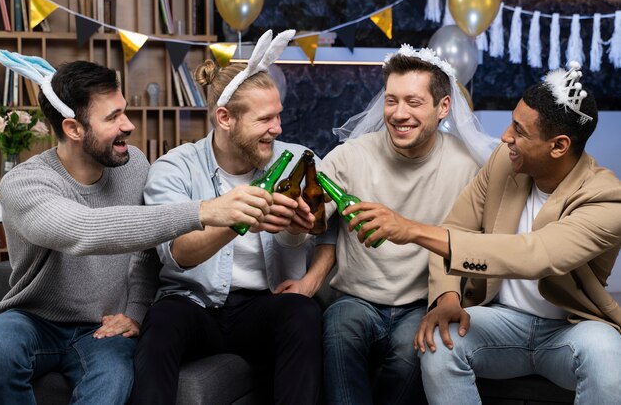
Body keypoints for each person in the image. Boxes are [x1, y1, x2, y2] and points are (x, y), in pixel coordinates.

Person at [0, 52, 274, 405]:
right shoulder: (23, 183)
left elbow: (146, 252)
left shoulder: (134, 164)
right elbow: (84, 230)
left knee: (114, 382)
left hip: (105, 327)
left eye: (124, 110)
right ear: (73, 129)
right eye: (113, 117)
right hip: (34, 320)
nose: (129, 125)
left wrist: (136, 312)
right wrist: (203, 211)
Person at [345, 62, 621, 404]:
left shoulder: (608, 198)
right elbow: (455, 228)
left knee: (609, 356)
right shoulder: (504, 161)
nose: (506, 136)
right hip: (500, 319)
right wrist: (447, 296)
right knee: (439, 342)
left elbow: (534, 254)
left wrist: (413, 230)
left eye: (519, 131)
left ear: (559, 146)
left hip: (571, 329)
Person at [286, 45, 498, 405]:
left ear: (442, 107)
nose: (399, 114)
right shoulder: (351, 156)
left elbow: (479, 247)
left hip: (421, 303)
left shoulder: (467, 166)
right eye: (391, 100)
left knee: (411, 354)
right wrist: (296, 221)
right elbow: (298, 229)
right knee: (339, 332)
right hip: (355, 298)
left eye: (413, 102)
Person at [129, 30, 323, 405]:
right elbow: (177, 254)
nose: (278, 128)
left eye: (279, 116)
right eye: (265, 119)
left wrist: (298, 233)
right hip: (194, 304)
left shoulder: (298, 160)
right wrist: (237, 222)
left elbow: (326, 233)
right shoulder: (175, 167)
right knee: (163, 322)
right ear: (225, 118)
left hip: (263, 305)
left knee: (303, 313)